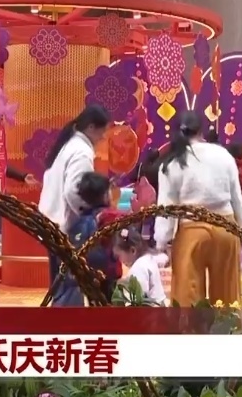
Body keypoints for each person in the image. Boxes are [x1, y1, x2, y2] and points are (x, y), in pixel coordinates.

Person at [154, 110, 242, 307]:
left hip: (192, 232)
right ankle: (228, 325)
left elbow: (166, 208)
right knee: (227, 296)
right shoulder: (223, 155)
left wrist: (162, 241)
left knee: (187, 298)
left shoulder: (172, 163)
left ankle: (190, 327)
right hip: (226, 228)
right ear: (201, 130)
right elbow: (236, 196)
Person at [37, 105, 111, 283]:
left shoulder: (70, 144)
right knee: (68, 287)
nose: (103, 137)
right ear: (91, 127)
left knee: (60, 283)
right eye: (102, 131)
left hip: (51, 223)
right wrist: (86, 215)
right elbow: (74, 190)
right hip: (64, 228)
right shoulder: (81, 151)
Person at [50, 172, 118, 306]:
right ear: (105, 195)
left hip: (87, 274)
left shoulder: (79, 219)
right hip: (107, 273)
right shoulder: (109, 216)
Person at [115, 226, 167, 305]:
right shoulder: (148, 259)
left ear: (133, 251)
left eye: (120, 256)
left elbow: (139, 298)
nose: (120, 260)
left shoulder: (138, 268)